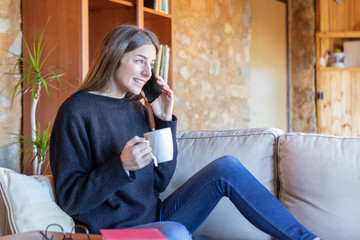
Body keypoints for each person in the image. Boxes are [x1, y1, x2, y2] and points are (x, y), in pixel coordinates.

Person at [50, 24, 321, 240]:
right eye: (139, 61)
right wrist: (121, 166)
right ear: (114, 57)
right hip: (113, 233)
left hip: (155, 217)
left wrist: (165, 120)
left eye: (151, 64)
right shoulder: (76, 111)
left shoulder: (138, 110)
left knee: (227, 168)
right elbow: (71, 200)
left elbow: (160, 181)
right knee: (177, 234)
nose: (147, 72)